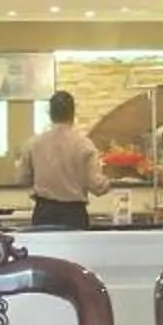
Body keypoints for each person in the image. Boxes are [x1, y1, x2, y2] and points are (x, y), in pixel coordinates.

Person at [18, 89, 104, 230]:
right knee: (75, 252)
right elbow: (97, 186)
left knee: (43, 252)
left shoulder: (33, 144)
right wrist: (109, 182)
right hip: (74, 214)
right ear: (73, 113)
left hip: (44, 212)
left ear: (50, 114)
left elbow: (22, 179)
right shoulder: (84, 145)